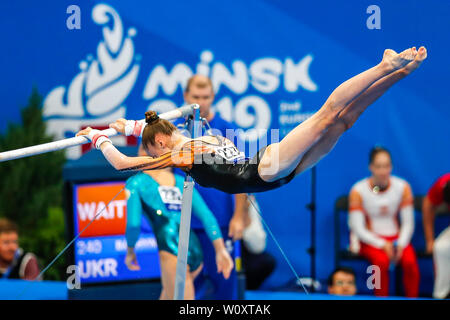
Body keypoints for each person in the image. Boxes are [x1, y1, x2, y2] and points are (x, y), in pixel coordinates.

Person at [77, 47, 427, 196]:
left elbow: (123, 164)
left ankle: (385, 67)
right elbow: (158, 127)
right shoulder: (196, 136)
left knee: (327, 119)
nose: (152, 157)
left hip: (265, 170)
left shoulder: (181, 154)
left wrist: (98, 137)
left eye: (150, 147)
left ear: (159, 144)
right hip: (272, 174)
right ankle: (400, 74)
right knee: (341, 123)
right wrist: (132, 127)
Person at [174, 75, 249, 299]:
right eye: (196, 97)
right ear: (186, 96)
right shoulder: (174, 130)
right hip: (182, 220)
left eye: (206, 97)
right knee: (186, 285)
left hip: (221, 219)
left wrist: (238, 216)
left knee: (224, 281)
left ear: (213, 97)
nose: (201, 102)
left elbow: (242, 176)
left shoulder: (227, 129)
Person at [124, 145, 234, 300]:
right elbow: (207, 216)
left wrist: (130, 250)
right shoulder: (182, 182)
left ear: (142, 154)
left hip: (171, 249)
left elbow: (134, 224)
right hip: (194, 248)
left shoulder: (136, 183)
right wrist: (220, 249)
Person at [348, 146, 420, 297]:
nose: (383, 171)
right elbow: (357, 228)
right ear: (371, 167)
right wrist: (382, 244)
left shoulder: (403, 187)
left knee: (410, 263)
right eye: (379, 166)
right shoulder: (358, 190)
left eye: (386, 166)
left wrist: (400, 243)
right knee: (379, 263)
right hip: (369, 240)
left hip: (396, 239)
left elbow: (408, 223)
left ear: (391, 167)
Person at [422, 173, 450, 299]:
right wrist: (429, 240)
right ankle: (441, 294)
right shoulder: (443, 183)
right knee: (440, 247)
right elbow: (428, 204)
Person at [241, 195, 276, 290]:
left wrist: (245, 213)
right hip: (219, 248)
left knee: (266, 261)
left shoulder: (248, 200)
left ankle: (246, 291)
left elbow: (257, 248)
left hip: (242, 251)